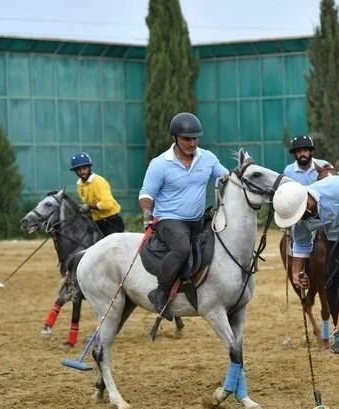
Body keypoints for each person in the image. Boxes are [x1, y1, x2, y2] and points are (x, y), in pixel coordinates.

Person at [138, 112, 230, 319]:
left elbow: (226, 177)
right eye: (187, 139)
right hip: (169, 220)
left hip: (197, 220)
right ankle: (160, 292)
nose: (192, 143)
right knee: (181, 247)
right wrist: (147, 212)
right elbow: (146, 194)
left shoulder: (208, 158)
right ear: (175, 138)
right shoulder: (159, 164)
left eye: (195, 138)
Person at [272, 176, 339, 354]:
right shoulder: (301, 220)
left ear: (307, 202)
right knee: (331, 285)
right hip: (338, 243)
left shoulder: (338, 186)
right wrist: (296, 272)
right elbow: (301, 244)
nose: (299, 219)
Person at [70, 152, 125, 237]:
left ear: (89, 168)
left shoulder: (98, 181)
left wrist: (89, 206)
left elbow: (108, 204)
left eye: (84, 168)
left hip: (111, 223)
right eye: (78, 169)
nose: (82, 171)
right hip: (96, 223)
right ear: (75, 171)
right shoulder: (79, 185)